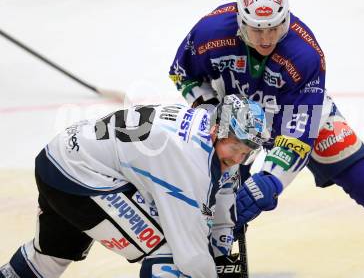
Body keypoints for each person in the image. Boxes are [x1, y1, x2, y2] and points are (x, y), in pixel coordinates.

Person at [168, 0, 364, 277]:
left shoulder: (305, 54)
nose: (266, 38)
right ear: (239, 19)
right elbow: (182, 73)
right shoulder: (209, 33)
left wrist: (270, 180)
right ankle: (210, 266)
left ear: (287, 17)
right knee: (218, 203)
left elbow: (298, 134)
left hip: (301, 119)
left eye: (274, 27)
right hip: (238, 123)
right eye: (257, 29)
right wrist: (213, 113)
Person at [0, 94, 269, 278]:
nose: (237, 159)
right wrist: (213, 265)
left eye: (246, 153)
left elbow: (221, 203)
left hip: (60, 158)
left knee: (48, 260)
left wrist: (222, 249)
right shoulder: (189, 161)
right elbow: (190, 255)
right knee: (170, 256)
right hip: (81, 177)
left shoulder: (203, 127)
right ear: (217, 132)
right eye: (234, 148)